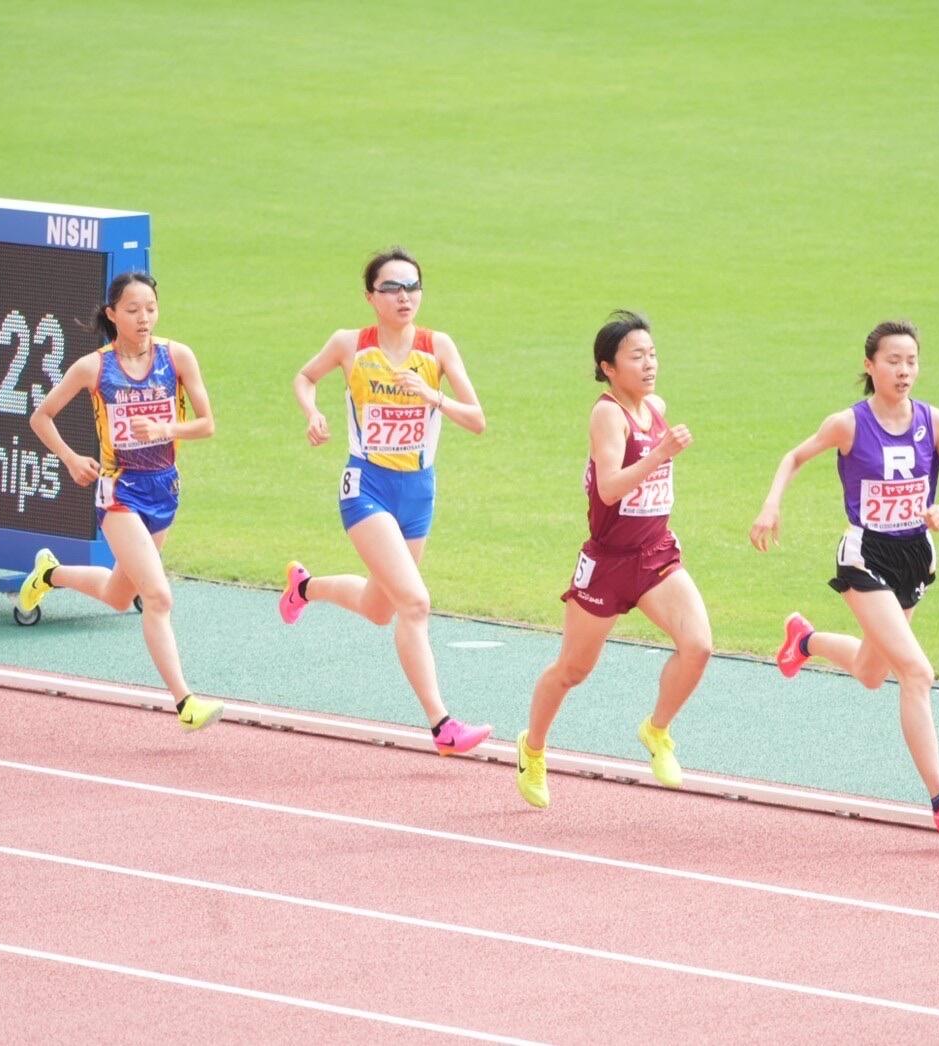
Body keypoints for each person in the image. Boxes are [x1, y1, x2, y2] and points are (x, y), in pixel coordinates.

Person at [749, 319, 939, 834]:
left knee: (870, 672)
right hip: (866, 557)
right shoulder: (848, 424)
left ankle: (804, 640)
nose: (904, 371)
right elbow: (794, 456)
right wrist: (771, 507)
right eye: (893, 361)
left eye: (912, 361)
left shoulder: (934, 420)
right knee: (917, 673)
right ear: (870, 365)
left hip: (914, 558)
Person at [278, 247, 492, 755]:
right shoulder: (350, 344)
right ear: (370, 296)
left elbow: (477, 419)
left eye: (413, 286)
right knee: (414, 603)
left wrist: (430, 394)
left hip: (418, 491)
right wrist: (311, 413)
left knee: (380, 607)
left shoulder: (437, 346)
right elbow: (304, 377)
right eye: (392, 288)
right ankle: (443, 727)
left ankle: (304, 588)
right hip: (366, 486)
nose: (405, 297)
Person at [515, 310, 712, 809]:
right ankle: (532, 748)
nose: (649, 364)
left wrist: (660, 451)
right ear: (608, 367)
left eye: (652, 354)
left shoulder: (656, 406)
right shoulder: (607, 414)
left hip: (655, 554)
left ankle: (656, 730)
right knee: (573, 670)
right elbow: (608, 487)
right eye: (636, 356)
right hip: (608, 562)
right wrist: (658, 455)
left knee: (699, 646)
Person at [22, 271, 223, 731]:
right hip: (120, 491)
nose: (144, 318)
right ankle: (185, 703)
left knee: (118, 594)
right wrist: (73, 459)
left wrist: (167, 429)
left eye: (150, 308)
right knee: (158, 595)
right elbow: (41, 416)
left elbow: (208, 424)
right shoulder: (94, 367)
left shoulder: (177, 357)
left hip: (164, 488)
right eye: (132, 310)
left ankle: (49, 574)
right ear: (112, 315)